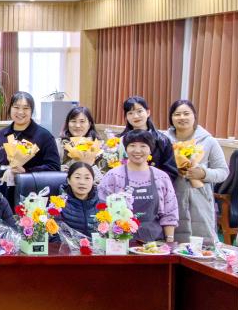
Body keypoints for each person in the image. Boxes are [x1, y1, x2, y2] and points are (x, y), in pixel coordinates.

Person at [98, 129, 178, 243]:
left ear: (150, 149)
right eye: (132, 145)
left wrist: (169, 241)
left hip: (155, 244)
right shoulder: (113, 176)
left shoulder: (161, 177)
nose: (137, 150)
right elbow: (102, 209)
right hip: (120, 242)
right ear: (126, 149)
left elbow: (170, 213)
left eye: (143, 146)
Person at [166, 100, 228, 243]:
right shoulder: (164, 140)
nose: (182, 117)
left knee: (202, 243)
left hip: (200, 197)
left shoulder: (208, 141)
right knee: (172, 242)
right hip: (172, 195)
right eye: (177, 114)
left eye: (186, 113)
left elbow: (223, 171)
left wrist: (203, 173)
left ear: (194, 116)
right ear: (171, 118)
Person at [0, 92, 60, 190]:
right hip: (0, 193)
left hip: (31, 193)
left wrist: (27, 171)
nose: (20, 112)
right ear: (10, 109)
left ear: (32, 111)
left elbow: (54, 167)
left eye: (26, 108)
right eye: (16, 107)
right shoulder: (0, 135)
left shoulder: (44, 136)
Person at [118, 96, 178, 181]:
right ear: (126, 117)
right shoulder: (119, 140)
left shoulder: (162, 140)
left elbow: (171, 171)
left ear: (148, 112)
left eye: (139, 111)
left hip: (154, 186)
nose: (135, 116)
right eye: (130, 113)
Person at [58, 162, 100, 237]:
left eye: (87, 178)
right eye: (77, 177)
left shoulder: (102, 204)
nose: (82, 182)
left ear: (93, 181)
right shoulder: (58, 204)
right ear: (68, 180)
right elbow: (54, 235)